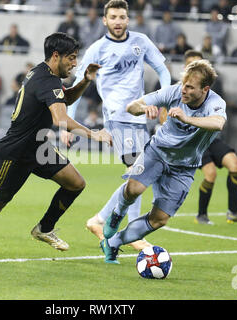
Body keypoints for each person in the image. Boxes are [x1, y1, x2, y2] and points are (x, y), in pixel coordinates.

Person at [0, 32, 112, 250]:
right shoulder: (47, 81)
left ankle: (44, 228)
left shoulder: (43, 72)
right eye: (71, 58)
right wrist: (95, 134)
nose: (75, 63)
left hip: (37, 148)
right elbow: (60, 118)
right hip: (15, 152)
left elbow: (64, 98)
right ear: (56, 56)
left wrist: (85, 80)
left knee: (75, 183)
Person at [62, 0, 172, 251]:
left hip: (139, 118)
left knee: (141, 175)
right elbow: (76, 87)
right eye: (113, 17)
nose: (118, 21)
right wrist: (68, 125)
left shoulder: (141, 42)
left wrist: (163, 98)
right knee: (138, 171)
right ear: (105, 20)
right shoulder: (97, 49)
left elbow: (163, 71)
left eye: (122, 17)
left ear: (128, 19)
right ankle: (135, 231)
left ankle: (99, 220)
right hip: (117, 117)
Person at [100, 59, 227, 264]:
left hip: (184, 167)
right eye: (183, 83)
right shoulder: (174, 92)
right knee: (134, 189)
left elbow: (218, 123)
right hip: (157, 152)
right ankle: (117, 213)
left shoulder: (216, 103)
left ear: (205, 89)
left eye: (189, 87)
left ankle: (113, 242)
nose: (183, 90)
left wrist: (187, 118)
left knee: (159, 219)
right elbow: (132, 106)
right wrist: (144, 109)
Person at [182, 50, 237, 225]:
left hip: (211, 138)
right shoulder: (179, 91)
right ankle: (201, 215)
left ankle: (234, 211)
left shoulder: (209, 92)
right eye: (192, 64)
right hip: (193, 141)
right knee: (210, 174)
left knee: (235, 164)